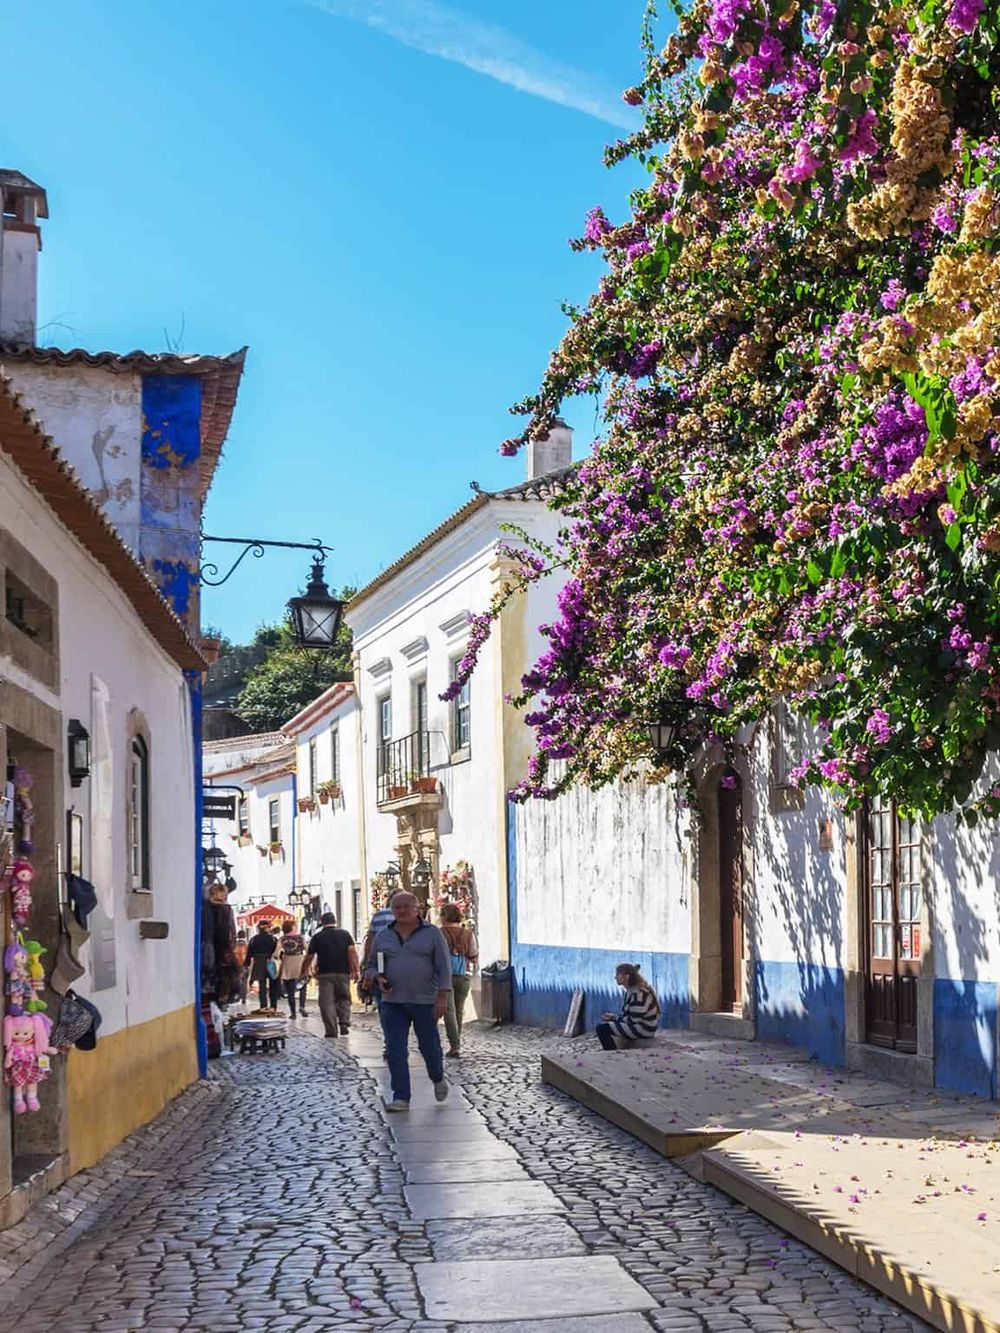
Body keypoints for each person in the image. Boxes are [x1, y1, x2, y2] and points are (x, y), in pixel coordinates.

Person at [368, 890, 451, 1111]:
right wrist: (377, 977)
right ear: (392, 910)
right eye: (397, 907)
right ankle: (401, 1097)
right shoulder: (383, 935)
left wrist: (442, 996)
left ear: (417, 909)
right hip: (392, 1001)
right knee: (395, 1048)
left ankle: (437, 1076)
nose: (402, 911)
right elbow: (371, 965)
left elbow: (443, 965)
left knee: (429, 1046)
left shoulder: (432, 933)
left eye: (406, 906)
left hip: (425, 1000)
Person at [304, 912, 359, 1037]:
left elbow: (309, 956)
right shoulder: (345, 934)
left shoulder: (317, 937)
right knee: (344, 998)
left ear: (322, 922)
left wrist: (304, 970)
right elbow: (352, 952)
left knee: (326, 1002)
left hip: (325, 973)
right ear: (335, 921)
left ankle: (331, 1031)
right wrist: (356, 970)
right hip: (343, 972)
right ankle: (344, 1022)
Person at [438, 902, 478, 1058]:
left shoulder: (439, 933)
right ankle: (456, 1043)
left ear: (443, 916)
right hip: (464, 974)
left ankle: (455, 1045)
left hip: (445, 976)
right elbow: (473, 954)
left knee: (449, 1012)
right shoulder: (468, 934)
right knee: (459, 1010)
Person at [596, 963, 661, 1050]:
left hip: (643, 1029)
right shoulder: (630, 991)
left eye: (618, 974)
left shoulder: (638, 993)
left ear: (627, 976)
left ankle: (611, 1052)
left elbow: (634, 1020)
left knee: (602, 1028)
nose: (615, 977)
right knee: (605, 1026)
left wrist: (614, 1018)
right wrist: (613, 1017)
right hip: (639, 1026)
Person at [276, 919, 308, 1018]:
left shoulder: (282, 939)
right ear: (293, 927)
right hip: (299, 962)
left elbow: (276, 953)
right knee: (303, 985)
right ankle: (302, 1006)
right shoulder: (300, 938)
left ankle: (293, 1013)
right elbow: (308, 949)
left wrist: (278, 957)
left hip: (287, 963)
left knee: (290, 990)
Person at [247, 921, 278, 1010]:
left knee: (262, 985)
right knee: (273, 985)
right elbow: (277, 953)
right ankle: (273, 1006)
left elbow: (249, 954)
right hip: (271, 962)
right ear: (266, 928)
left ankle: (263, 1006)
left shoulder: (253, 939)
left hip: (259, 963)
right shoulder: (273, 939)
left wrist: (247, 964)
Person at [233, 930, 249, 1004]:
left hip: (236, 965)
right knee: (244, 982)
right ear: (245, 936)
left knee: (236, 980)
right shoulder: (247, 944)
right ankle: (244, 998)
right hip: (245, 965)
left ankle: (236, 996)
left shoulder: (234, 944)